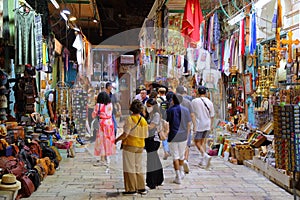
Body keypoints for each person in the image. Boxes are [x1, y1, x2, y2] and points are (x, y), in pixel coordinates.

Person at [115, 100, 148, 196]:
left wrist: (116, 140)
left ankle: (131, 189)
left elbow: (125, 134)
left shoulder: (130, 119)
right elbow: (146, 134)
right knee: (138, 166)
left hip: (130, 145)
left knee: (129, 167)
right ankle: (141, 187)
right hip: (140, 145)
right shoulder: (143, 120)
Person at [166, 94, 192, 184]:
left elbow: (167, 123)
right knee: (181, 156)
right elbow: (189, 124)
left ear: (173, 100)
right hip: (183, 136)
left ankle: (178, 176)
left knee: (175, 156)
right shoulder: (186, 110)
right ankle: (180, 172)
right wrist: (188, 134)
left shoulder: (170, 110)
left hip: (173, 135)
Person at [191, 86, 215, 169]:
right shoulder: (209, 102)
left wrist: (193, 125)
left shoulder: (194, 101)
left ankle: (205, 155)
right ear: (205, 93)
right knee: (203, 142)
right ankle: (203, 161)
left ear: (198, 93)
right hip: (207, 124)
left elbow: (192, 114)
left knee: (196, 142)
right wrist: (211, 126)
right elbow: (212, 116)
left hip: (199, 124)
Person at [144, 98, 164, 189]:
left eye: (149, 106)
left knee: (151, 161)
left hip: (154, 140)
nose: (147, 108)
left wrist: (141, 123)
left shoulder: (156, 115)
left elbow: (151, 126)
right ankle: (159, 179)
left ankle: (151, 182)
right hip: (148, 140)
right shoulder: (149, 114)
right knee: (155, 160)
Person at [92, 92, 116, 166]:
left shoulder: (98, 105)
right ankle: (107, 156)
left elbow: (93, 115)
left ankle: (102, 159)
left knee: (101, 141)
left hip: (102, 124)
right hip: (110, 123)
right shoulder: (110, 105)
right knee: (108, 140)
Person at [176, 86, 195, 174]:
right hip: (186, 124)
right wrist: (194, 125)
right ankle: (185, 159)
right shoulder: (188, 102)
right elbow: (192, 115)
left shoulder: (173, 101)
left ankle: (180, 161)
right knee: (186, 143)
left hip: (176, 125)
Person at [157, 87, 170, 160]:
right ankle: (169, 150)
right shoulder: (171, 101)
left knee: (163, 135)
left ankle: (166, 150)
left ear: (159, 92)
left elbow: (159, 111)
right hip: (170, 120)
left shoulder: (159, 101)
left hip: (163, 119)